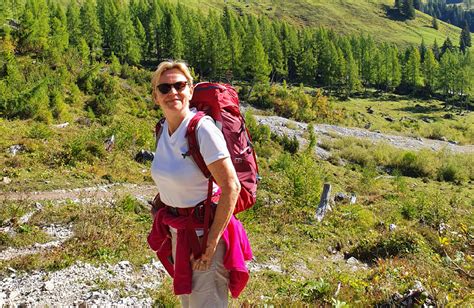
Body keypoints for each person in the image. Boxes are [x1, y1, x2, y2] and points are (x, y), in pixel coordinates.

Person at [147, 60, 252, 307]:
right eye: (164, 88)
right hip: (179, 233)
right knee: (191, 302)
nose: (172, 92)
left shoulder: (202, 130)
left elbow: (231, 187)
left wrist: (212, 243)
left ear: (190, 91)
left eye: (179, 85)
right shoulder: (163, 129)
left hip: (203, 236)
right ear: (156, 96)